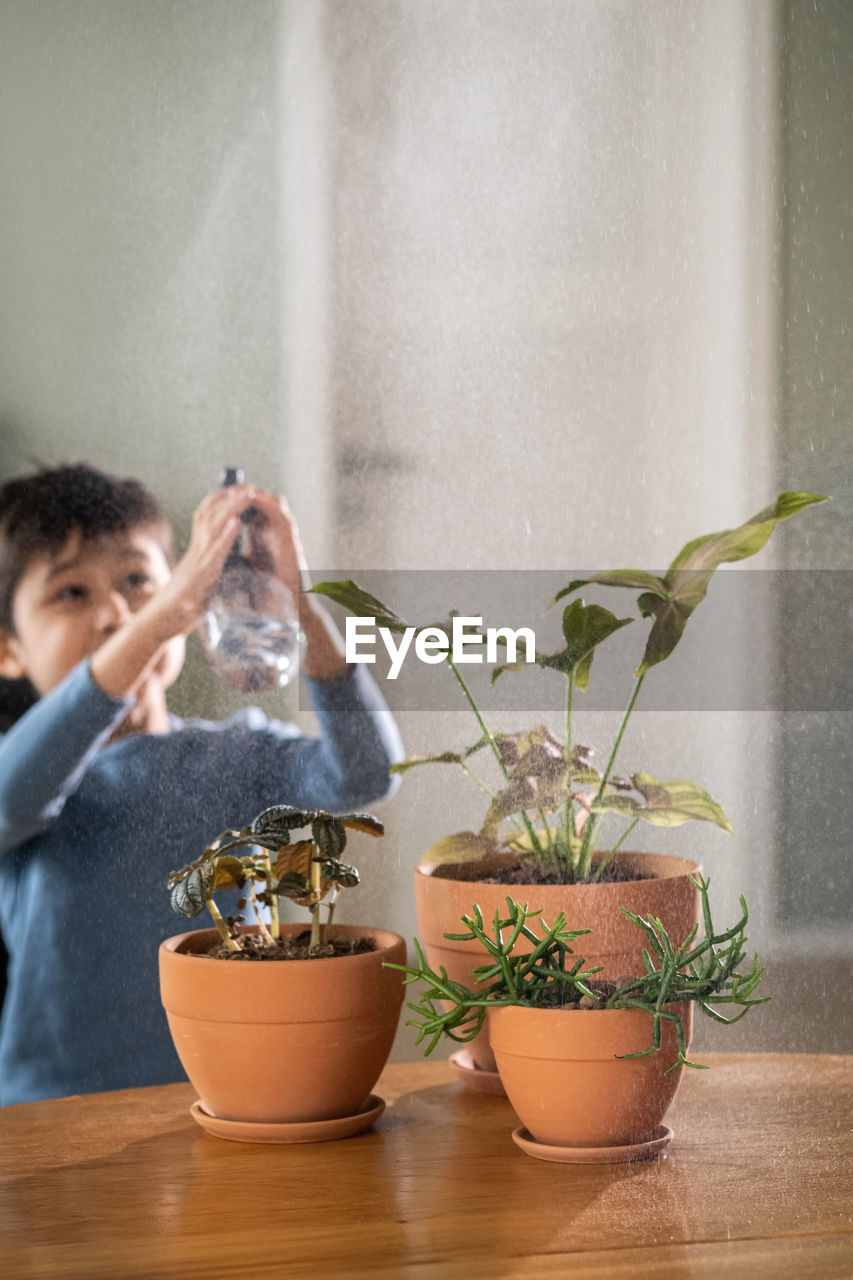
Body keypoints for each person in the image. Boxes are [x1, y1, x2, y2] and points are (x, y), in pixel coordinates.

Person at [0, 464, 402, 1105]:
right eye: (71, 594)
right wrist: (152, 621)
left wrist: (295, 598)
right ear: (8, 650)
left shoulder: (233, 754)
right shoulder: (27, 770)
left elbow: (367, 771)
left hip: (231, 1102)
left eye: (138, 582)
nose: (116, 613)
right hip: (46, 1120)